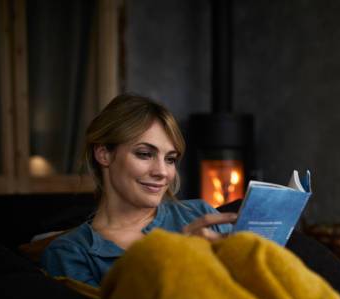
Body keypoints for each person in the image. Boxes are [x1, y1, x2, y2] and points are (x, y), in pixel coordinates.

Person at [41, 94, 237, 287]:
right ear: (104, 154)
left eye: (170, 159)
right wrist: (179, 259)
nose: (162, 172)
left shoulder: (200, 214)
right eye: (144, 154)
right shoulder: (70, 252)